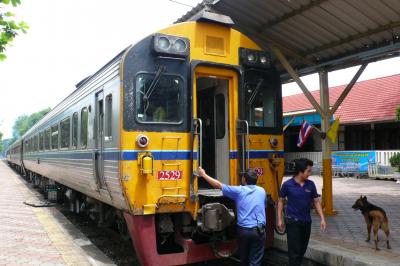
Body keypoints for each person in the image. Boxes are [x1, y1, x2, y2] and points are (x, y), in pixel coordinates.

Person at [197, 167, 266, 266]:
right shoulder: (262, 191)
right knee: (255, 262)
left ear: (244, 180)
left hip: (244, 231)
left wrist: (203, 175)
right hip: (259, 231)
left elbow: (218, 185)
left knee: (244, 260)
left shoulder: (239, 191)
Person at [277, 158, 326, 266]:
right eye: (308, 171)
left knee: (302, 250)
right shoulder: (287, 184)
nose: (310, 173)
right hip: (292, 222)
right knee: (294, 251)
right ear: (300, 171)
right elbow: (280, 201)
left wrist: (322, 218)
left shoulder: (311, 184)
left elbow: (316, 202)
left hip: (306, 222)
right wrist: (279, 219)